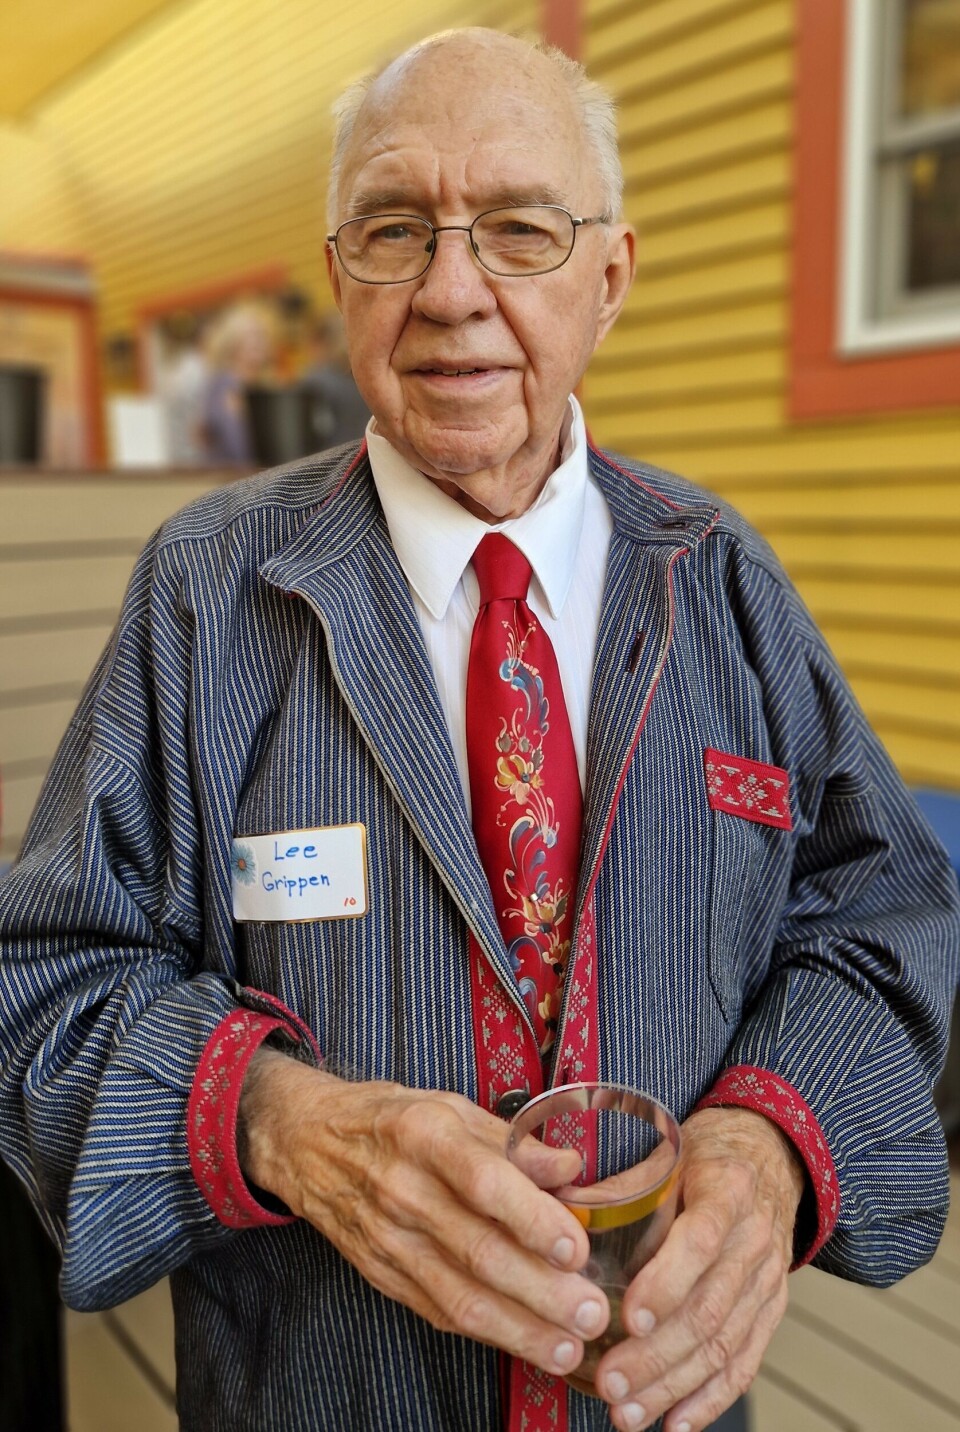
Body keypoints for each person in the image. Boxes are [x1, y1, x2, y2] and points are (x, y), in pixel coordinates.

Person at [0, 28, 957, 1432]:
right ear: (340, 277)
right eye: (395, 229)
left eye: (519, 228)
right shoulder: (207, 593)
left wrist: (769, 1142)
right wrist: (282, 1123)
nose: (452, 292)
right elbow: (40, 986)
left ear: (608, 280)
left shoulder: (723, 577)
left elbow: (883, 914)